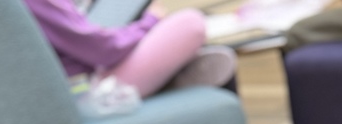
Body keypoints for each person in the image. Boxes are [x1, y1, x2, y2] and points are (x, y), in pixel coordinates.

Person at [23, 0, 238, 97]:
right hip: (88, 89)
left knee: (207, 56)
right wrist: (150, 20)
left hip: (76, 81)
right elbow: (103, 50)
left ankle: (168, 78)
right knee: (190, 22)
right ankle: (166, 80)